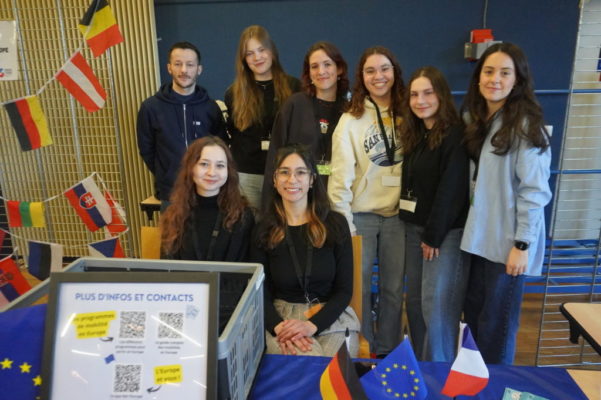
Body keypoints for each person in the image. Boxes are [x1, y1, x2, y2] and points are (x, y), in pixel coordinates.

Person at [461, 42, 552, 364]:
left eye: (504, 73)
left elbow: (534, 191)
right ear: (478, 77)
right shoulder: (478, 119)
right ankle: (476, 383)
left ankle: (498, 385)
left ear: (517, 80)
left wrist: (522, 245)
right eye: (489, 71)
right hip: (478, 241)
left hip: (507, 246)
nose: (495, 79)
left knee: (496, 329)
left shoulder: (525, 125)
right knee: (475, 321)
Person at [328, 46, 405, 357]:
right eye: (370, 71)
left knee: (393, 288)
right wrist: (344, 224)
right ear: (362, 77)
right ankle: (364, 348)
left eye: (384, 69)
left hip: (399, 217)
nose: (378, 76)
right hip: (361, 217)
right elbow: (339, 178)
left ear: (395, 71)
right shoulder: (351, 119)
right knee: (359, 287)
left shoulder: (409, 113)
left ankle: (387, 351)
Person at [251, 144, 360, 357]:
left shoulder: (336, 224)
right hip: (283, 320)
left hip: (331, 316)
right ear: (274, 180)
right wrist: (278, 327)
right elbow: (259, 292)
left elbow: (344, 290)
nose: (292, 179)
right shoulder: (263, 229)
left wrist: (312, 325)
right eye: (284, 172)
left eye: (301, 172)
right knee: (306, 361)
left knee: (331, 368)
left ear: (312, 180)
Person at [398, 66, 469, 362]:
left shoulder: (455, 135)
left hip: (443, 235)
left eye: (427, 93)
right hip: (414, 230)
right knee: (415, 304)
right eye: (414, 94)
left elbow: (451, 189)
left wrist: (433, 236)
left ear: (441, 95)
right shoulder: (417, 134)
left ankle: (440, 374)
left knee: (436, 308)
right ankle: (420, 369)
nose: (420, 100)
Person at [137, 41, 227, 205]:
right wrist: (165, 173)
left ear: (199, 69)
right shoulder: (150, 107)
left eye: (190, 64)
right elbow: (146, 149)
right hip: (170, 193)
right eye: (178, 64)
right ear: (169, 68)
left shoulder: (210, 107)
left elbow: (221, 146)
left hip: (207, 191)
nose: (184, 70)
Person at [263, 41, 349, 207]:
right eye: (314, 66)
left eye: (327, 64)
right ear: (308, 73)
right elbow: (275, 155)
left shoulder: (351, 110)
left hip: (338, 197)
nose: (321, 71)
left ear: (339, 69)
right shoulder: (294, 105)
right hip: (297, 197)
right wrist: (269, 207)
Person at [225, 25, 300, 210]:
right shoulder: (234, 93)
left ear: (271, 50)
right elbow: (232, 134)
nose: (257, 57)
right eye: (249, 53)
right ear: (243, 59)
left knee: (282, 226)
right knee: (249, 226)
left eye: (261, 50)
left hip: (284, 174)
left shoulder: (294, 87)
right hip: (247, 176)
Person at [160, 136, 254, 261]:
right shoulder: (173, 215)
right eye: (204, 164)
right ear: (191, 167)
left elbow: (247, 268)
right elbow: (167, 266)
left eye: (220, 165)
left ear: (228, 171)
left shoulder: (242, 216)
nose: (211, 172)